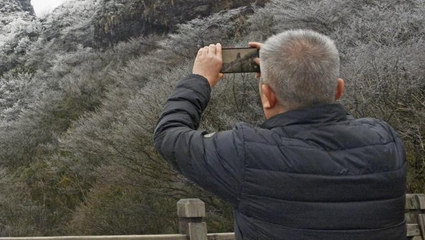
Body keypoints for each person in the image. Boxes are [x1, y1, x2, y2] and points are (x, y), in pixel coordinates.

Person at [153, 29, 407, 239]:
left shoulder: (246, 154)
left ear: (268, 96)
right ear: (339, 90)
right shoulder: (386, 143)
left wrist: (200, 80)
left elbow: (169, 135)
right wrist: (287, 65)